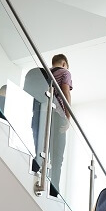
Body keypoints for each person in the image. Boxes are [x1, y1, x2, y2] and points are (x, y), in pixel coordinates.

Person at [25, 54, 73, 197]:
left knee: (40, 151)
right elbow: (65, 93)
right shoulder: (65, 72)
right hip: (57, 116)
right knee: (57, 157)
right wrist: (68, 117)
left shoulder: (44, 72)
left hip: (40, 115)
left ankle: (34, 174)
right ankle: (53, 191)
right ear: (64, 63)